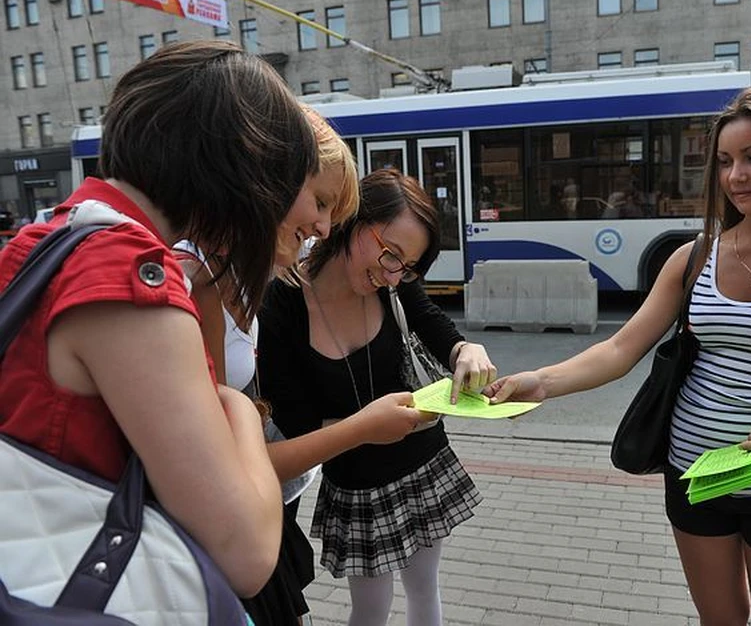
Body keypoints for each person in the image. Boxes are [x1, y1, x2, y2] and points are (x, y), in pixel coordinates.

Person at [486, 86, 751, 626]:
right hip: (696, 475)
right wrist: (542, 381)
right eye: (724, 161)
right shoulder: (695, 255)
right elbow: (620, 346)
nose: (736, 176)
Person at [0, 40, 318, 599]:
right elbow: (245, 552)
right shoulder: (131, 274)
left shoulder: (42, 241)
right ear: (237, 173)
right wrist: (238, 407)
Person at [179, 108, 426, 626]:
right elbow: (223, 464)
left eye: (333, 209)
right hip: (228, 538)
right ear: (262, 183)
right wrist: (359, 429)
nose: (323, 225)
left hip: (264, 515)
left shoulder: (249, 273)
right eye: (320, 202)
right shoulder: (207, 279)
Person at [258, 168, 497, 626]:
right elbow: (295, 423)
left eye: (407, 266)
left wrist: (468, 349)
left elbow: (436, 326)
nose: (392, 275)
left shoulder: (395, 284)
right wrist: (365, 428)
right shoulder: (282, 304)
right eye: (390, 254)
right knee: (371, 608)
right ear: (351, 218)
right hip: (357, 483)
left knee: (425, 588)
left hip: (425, 461)